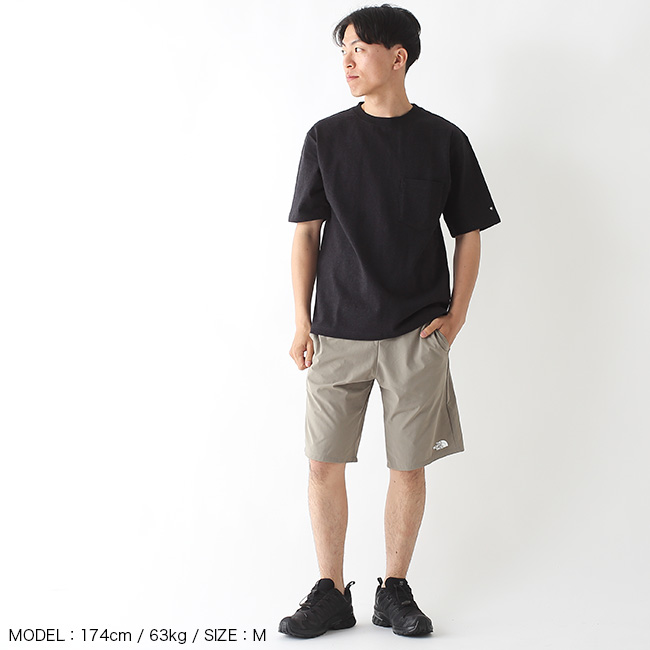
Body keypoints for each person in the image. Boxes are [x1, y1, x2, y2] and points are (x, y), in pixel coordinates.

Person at [279, 3, 501, 639]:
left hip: (415, 333)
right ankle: (331, 590)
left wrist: (456, 316)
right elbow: (305, 233)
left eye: (359, 48)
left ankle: (393, 590)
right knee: (323, 463)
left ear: (397, 56)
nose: (347, 62)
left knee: (408, 466)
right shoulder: (325, 138)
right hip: (335, 330)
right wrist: (301, 321)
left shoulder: (444, 139)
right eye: (343, 50)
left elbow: (469, 231)